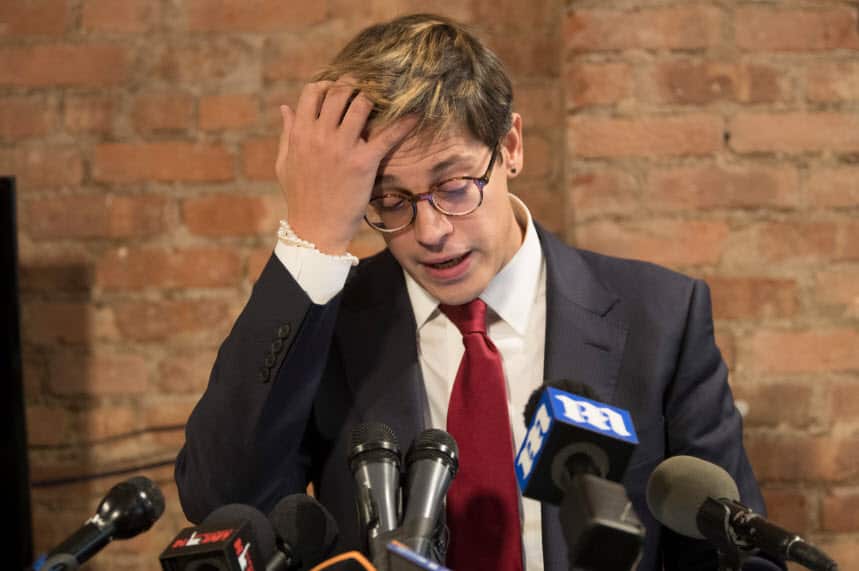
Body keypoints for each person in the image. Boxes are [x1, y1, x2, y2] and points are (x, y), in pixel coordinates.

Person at [175, 13, 780, 571]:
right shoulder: (331, 321)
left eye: (456, 185)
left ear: (510, 146)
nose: (432, 231)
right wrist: (311, 236)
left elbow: (737, 550)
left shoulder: (662, 317)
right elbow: (222, 498)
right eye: (390, 201)